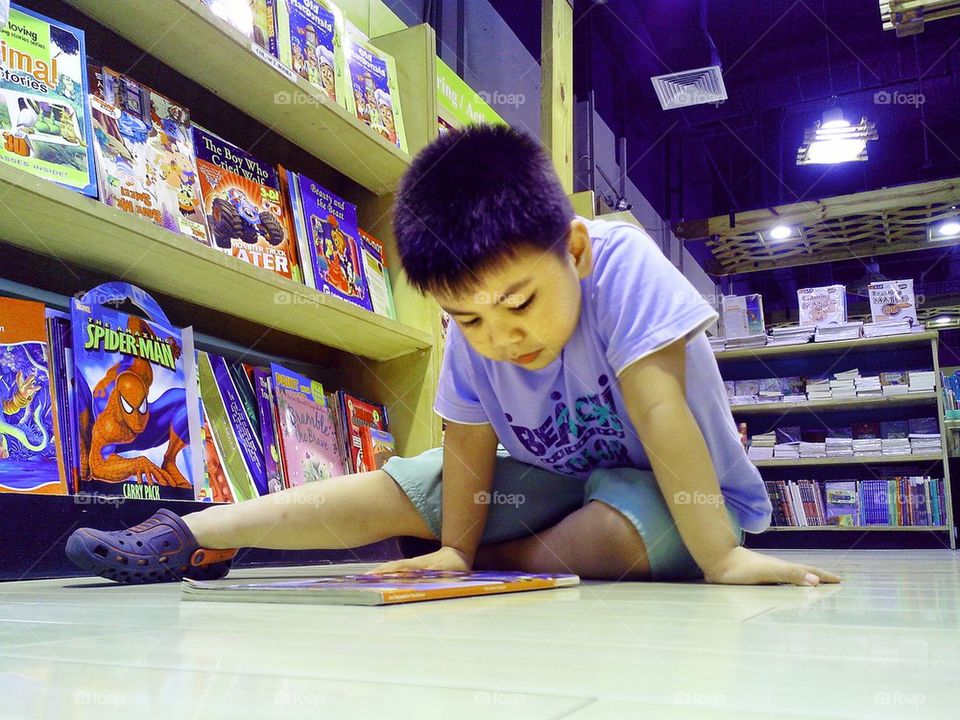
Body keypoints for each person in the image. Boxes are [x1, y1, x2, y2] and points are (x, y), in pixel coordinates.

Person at [66, 125, 839, 587]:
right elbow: (466, 444)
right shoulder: (473, 326)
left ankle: (500, 562)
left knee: (609, 536)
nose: (501, 336)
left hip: (685, 498)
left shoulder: (624, 262)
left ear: (574, 250)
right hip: (557, 485)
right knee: (411, 479)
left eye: (521, 304)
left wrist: (722, 561)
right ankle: (191, 533)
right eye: (467, 317)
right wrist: (450, 548)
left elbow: (662, 412)